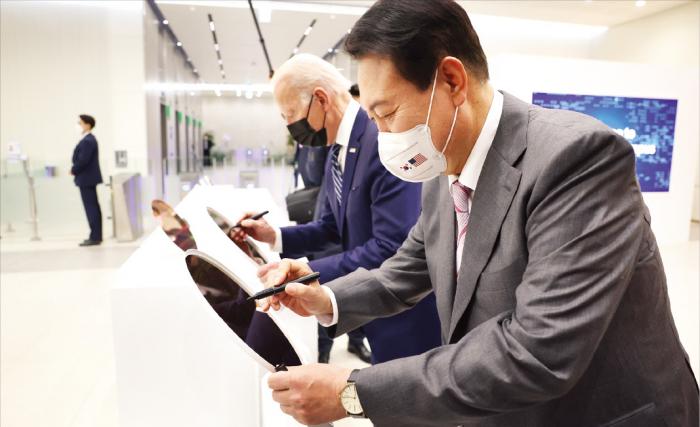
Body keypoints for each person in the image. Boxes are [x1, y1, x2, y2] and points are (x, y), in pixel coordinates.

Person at [260, 1, 699, 426]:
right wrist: (325, 296)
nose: (384, 135)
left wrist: (350, 392)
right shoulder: (441, 165)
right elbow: (406, 271)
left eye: (387, 113)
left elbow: (537, 351)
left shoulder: (577, 159)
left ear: (452, 80)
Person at [231, 53, 442, 366]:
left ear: (320, 99)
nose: (290, 125)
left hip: (404, 314)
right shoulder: (337, 150)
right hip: (371, 306)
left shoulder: (382, 142)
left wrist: (306, 275)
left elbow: (391, 246)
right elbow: (331, 227)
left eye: (290, 114)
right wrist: (273, 236)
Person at [71, 115, 103, 247]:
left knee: (91, 208)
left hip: (87, 179)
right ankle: (95, 235)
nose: (78, 125)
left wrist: (74, 169)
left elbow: (83, 160)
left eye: (80, 123)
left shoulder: (88, 141)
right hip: (87, 179)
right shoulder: (87, 140)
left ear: (88, 125)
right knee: (92, 207)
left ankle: (95, 236)